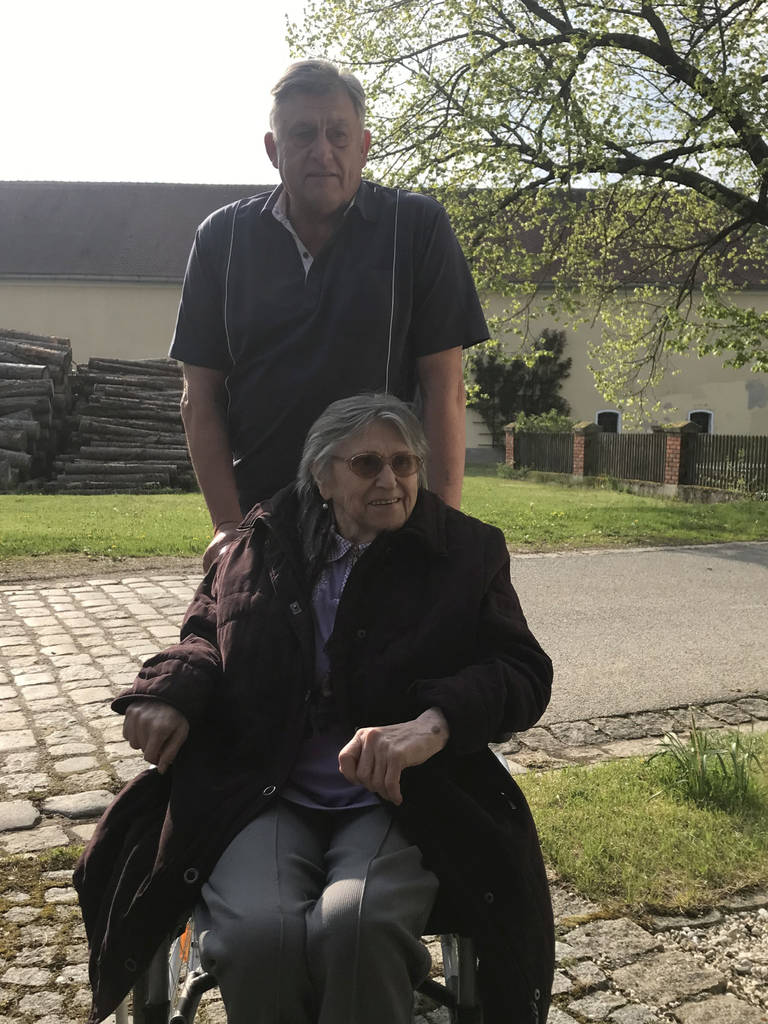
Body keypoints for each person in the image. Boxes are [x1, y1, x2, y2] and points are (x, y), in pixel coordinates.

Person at [74, 393, 555, 1024]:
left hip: (404, 796)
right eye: (367, 464)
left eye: (405, 462)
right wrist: (170, 692)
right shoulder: (262, 541)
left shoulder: (466, 551)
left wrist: (431, 726)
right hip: (264, 786)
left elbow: (521, 670)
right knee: (256, 936)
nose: (390, 480)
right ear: (323, 477)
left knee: (356, 924)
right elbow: (207, 632)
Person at [170, 59, 489, 570]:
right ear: (273, 150)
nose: (322, 151)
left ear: (363, 146)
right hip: (265, 526)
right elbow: (199, 397)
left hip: (385, 523)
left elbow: (445, 389)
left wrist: (439, 525)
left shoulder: (416, 228)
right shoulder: (220, 240)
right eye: (303, 134)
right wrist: (227, 526)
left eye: (338, 134)